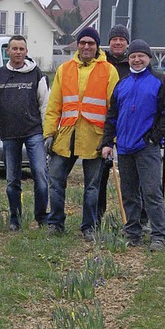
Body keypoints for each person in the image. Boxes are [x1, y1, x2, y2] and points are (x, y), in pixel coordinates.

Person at [100, 39, 165, 251]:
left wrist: (155, 136)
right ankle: (132, 232)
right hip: (124, 148)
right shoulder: (122, 84)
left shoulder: (160, 81)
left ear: (149, 58)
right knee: (129, 193)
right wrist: (108, 142)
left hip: (146, 148)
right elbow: (112, 115)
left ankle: (158, 235)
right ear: (129, 59)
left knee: (151, 192)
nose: (136, 59)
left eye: (141, 56)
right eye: (133, 56)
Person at [43, 27, 119, 240]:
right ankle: (55, 223)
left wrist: (110, 140)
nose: (86, 46)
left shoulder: (108, 70)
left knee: (92, 186)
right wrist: (49, 133)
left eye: (91, 43)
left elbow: (114, 107)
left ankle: (89, 227)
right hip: (66, 136)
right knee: (55, 179)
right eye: (83, 42)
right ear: (77, 45)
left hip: (95, 136)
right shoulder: (64, 69)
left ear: (97, 46)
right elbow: (54, 104)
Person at [0, 35, 50, 231]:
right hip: (9, 133)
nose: (18, 52)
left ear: (26, 51)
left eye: (22, 49)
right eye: (14, 48)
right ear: (7, 51)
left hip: (34, 132)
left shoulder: (36, 74)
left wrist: (47, 132)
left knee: (40, 176)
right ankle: (15, 219)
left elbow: (45, 104)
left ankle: (42, 217)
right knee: (12, 180)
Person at [99, 24, 131, 222]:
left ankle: (134, 217)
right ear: (109, 43)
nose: (118, 42)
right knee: (100, 175)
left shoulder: (134, 63)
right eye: (114, 39)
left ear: (127, 43)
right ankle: (97, 216)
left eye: (121, 39)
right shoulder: (101, 63)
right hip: (105, 125)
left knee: (130, 176)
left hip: (129, 126)